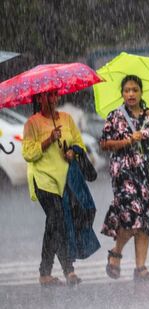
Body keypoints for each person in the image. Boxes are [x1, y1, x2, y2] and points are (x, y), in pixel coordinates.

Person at [100, 75, 149, 282]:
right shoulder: (115, 116)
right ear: (122, 94)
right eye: (127, 90)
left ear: (141, 92)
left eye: (135, 90)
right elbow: (104, 143)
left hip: (145, 173)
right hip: (123, 172)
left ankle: (141, 267)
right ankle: (116, 253)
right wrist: (128, 140)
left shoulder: (148, 115)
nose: (131, 94)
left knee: (145, 219)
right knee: (131, 216)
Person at [22, 90, 85, 286]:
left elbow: (79, 144)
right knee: (56, 218)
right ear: (39, 98)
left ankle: (47, 272)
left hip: (64, 179)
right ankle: (66, 270)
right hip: (43, 180)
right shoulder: (32, 123)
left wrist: (72, 153)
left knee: (57, 224)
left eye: (54, 95)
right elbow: (28, 154)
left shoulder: (66, 119)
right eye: (47, 96)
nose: (52, 99)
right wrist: (49, 139)